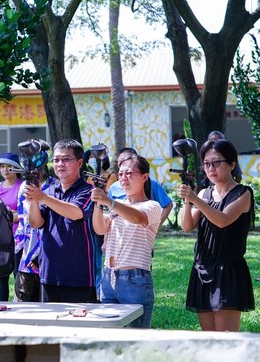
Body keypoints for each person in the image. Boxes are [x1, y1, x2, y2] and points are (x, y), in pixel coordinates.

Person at [178, 139, 255, 331]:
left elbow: (222, 220)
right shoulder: (205, 193)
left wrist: (194, 197)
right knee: (209, 340)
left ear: (232, 164)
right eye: (206, 163)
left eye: (216, 162)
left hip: (227, 271)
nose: (210, 168)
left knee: (226, 341)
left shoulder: (243, 193)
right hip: (202, 269)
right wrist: (187, 201)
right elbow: (187, 226)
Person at [91, 155, 162, 328]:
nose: (123, 178)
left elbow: (138, 218)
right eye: (120, 174)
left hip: (135, 280)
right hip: (109, 277)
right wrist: (98, 204)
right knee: (111, 336)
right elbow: (100, 228)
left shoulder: (152, 205)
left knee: (135, 338)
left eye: (129, 173)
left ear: (144, 176)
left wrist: (108, 201)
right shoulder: (117, 205)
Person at [26, 139, 98, 303]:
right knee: (50, 326)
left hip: (78, 276)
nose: (60, 164)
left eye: (65, 159)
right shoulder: (49, 190)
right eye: (56, 160)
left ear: (80, 162)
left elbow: (75, 212)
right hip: (49, 273)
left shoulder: (89, 191)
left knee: (80, 326)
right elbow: (36, 223)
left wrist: (43, 197)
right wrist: (34, 200)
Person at [14, 169, 55, 302]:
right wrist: (16, 247)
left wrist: (39, 256)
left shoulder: (55, 187)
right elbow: (23, 221)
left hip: (48, 261)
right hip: (26, 260)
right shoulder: (23, 187)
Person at [108, 148, 173, 225]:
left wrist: (157, 225)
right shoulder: (113, 188)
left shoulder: (152, 185)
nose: (122, 164)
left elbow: (167, 205)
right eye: (120, 162)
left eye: (128, 172)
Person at [0, 152, 23, 301]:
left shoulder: (23, 186)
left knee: (18, 274)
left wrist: (7, 214)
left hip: (20, 239)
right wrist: (12, 214)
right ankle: (1, 305)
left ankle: (19, 304)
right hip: (1, 239)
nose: (5, 169)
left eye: (9, 166)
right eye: (2, 166)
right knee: (2, 276)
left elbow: (25, 214)